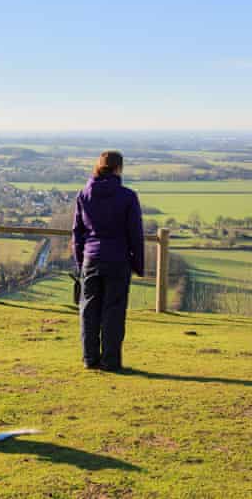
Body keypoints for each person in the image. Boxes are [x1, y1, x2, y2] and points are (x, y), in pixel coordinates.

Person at [72, 151, 144, 372]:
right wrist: (138, 265)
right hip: (118, 261)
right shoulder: (128, 196)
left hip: (91, 259)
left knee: (88, 311)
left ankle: (89, 358)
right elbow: (135, 234)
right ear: (118, 168)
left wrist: (80, 263)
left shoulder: (84, 195)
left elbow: (77, 233)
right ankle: (110, 361)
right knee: (113, 312)